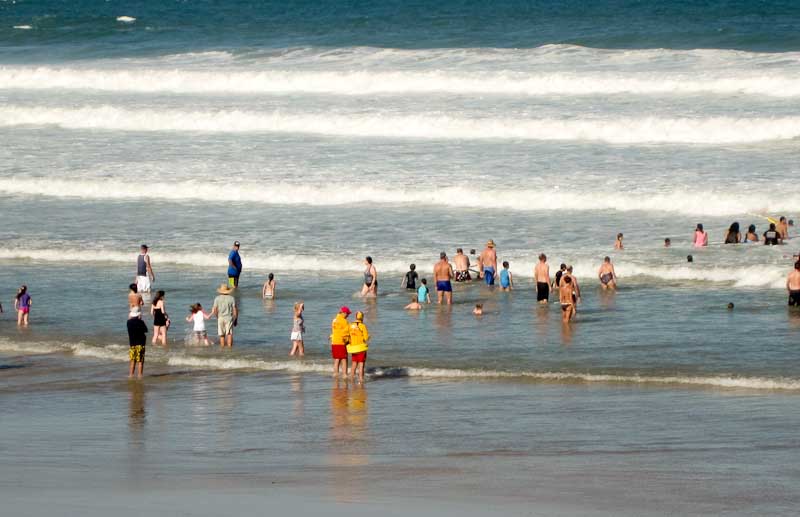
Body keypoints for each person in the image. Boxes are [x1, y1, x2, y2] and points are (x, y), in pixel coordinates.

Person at [347, 311, 369, 383]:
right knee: (361, 364)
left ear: (356, 317)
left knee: (354, 363)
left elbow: (348, 336)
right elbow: (365, 338)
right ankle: (361, 379)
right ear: (362, 317)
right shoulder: (362, 326)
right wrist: (369, 337)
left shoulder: (350, 325)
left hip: (353, 348)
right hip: (361, 347)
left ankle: (351, 377)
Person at [330, 306, 351, 376]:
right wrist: (349, 341)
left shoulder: (334, 320)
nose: (348, 315)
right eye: (348, 314)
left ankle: (335, 374)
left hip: (334, 342)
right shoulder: (344, 321)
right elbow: (347, 332)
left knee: (337, 359)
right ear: (344, 313)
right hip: (341, 342)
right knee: (344, 359)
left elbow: (334, 331)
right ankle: (345, 374)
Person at [127, 308, 147, 378]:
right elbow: (145, 330)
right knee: (140, 361)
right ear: (138, 314)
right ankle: (139, 375)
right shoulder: (141, 322)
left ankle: (131, 375)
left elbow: (129, 319)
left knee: (133, 361)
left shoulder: (128, 322)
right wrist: (141, 319)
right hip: (140, 344)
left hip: (132, 345)